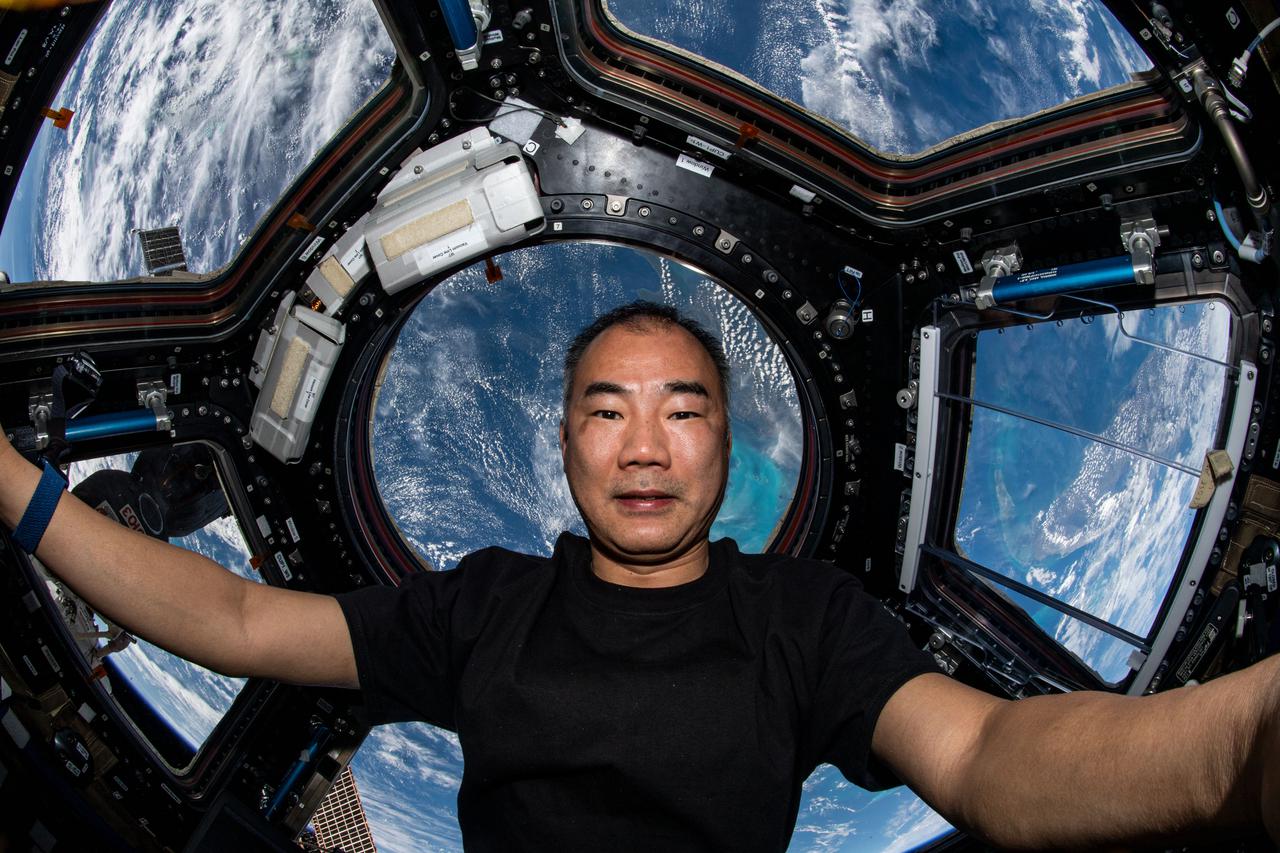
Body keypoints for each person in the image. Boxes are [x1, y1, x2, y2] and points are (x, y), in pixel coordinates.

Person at [0, 300, 1276, 850]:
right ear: (563, 442)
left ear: (727, 444)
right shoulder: (487, 603)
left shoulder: (802, 620)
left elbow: (988, 761)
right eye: (605, 412)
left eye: (684, 411)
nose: (646, 448)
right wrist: (19, 489)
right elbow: (229, 614)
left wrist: (1231, 748)